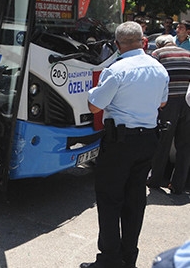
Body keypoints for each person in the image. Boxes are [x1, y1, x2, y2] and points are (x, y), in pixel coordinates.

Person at [81, 21, 169, 268]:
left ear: (117, 45)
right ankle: (128, 258)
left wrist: (93, 92)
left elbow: (94, 105)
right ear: (143, 42)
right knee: (135, 199)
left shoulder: (116, 70)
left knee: (110, 200)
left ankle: (109, 260)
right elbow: (162, 104)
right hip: (148, 139)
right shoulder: (159, 69)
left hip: (120, 142)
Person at [149, 35, 190, 193]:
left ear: (159, 44)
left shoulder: (157, 55)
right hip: (187, 103)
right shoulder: (188, 54)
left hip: (168, 103)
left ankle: (155, 180)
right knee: (185, 146)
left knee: (162, 143)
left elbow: (153, 80)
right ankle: (178, 185)